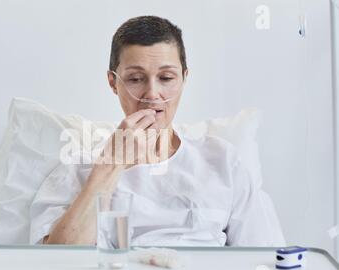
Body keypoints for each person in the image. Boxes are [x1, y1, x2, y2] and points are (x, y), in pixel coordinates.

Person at [30, 15, 285, 247]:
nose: (152, 94)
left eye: (166, 78)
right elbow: (58, 260)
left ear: (184, 78)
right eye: (135, 79)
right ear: (113, 83)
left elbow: (263, 257)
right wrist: (110, 165)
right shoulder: (77, 167)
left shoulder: (223, 161)